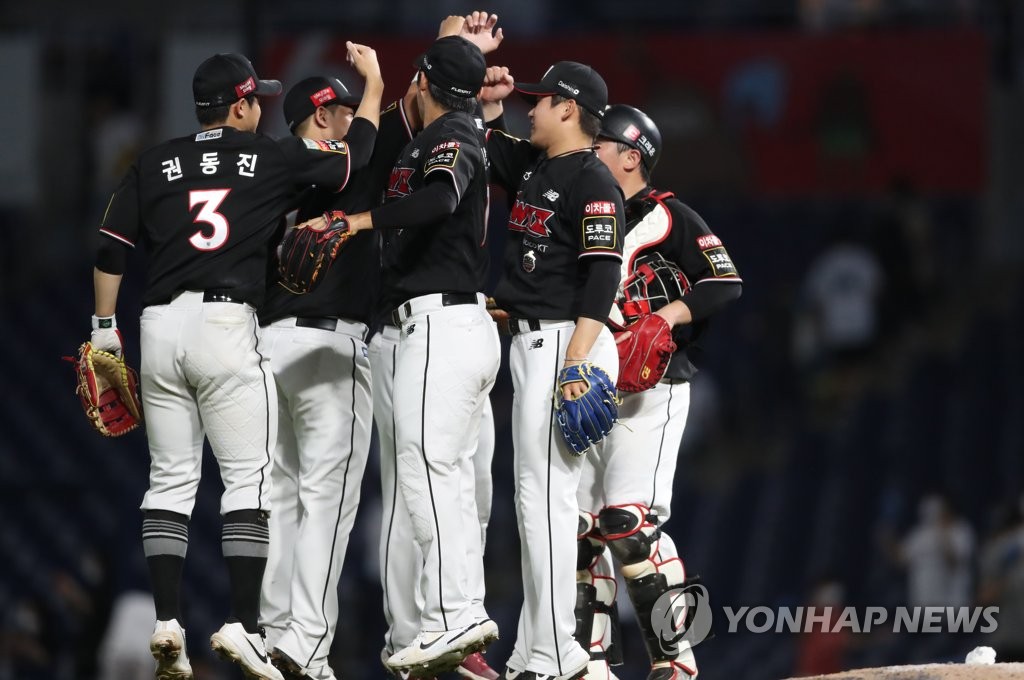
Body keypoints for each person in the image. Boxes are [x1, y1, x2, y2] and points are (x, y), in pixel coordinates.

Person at [90, 47, 379, 680]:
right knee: (249, 481)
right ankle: (248, 627)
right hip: (226, 322)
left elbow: (110, 246)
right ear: (244, 104)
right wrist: (375, 86)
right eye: (257, 100)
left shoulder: (155, 158)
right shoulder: (270, 158)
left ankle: (167, 620)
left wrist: (104, 333)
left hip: (158, 324)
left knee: (169, 480)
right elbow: (353, 155)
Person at [326, 34, 500, 677]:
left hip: (440, 324)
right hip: (433, 325)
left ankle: (459, 621)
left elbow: (441, 198)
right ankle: (430, 632)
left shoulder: (453, 130)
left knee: (431, 474)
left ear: (421, 80)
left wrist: (361, 222)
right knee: (435, 481)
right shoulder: (447, 129)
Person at [574, 104, 743, 680]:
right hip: (588, 393)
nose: (590, 152)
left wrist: (667, 317)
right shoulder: (583, 213)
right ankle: (588, 663)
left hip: (653, 389)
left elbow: (724, 281)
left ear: (630, 154)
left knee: (630, 525)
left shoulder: (670, 216)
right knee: (578, 534)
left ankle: (681, 660)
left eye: (600, 144)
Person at [479, 62, 625, 680]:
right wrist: (490, 107)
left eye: (540, 102)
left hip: (564, 342)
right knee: (535, 503)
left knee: (547, 503)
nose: (530, 109)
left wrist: (575, 361)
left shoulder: (594, 180)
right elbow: (493, 151)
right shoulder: (542, 168)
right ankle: (534, 649)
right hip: (530, 342)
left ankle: (560, 651)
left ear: (568, 110)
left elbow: (603, 275)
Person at [257, 69, 384, 680]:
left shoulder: (272, 168)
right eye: (349, 111)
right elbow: (360, 157)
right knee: (326, 501)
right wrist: (380, 86)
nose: (359, 119)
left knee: (281, 495)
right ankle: (306, 643)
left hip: (269, 341)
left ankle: (274, 630)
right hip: (328, 344)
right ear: (324, 116)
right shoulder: (332, 160)